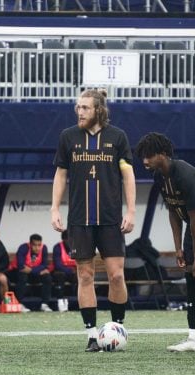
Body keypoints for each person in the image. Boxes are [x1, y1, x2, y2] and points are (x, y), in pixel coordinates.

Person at [50, 88, 136, 352]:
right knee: (85, 275)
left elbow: (128, 175)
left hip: (110, 219)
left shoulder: (117, 136)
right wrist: (54, 208)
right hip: (80, 219)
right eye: (78, 107)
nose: (79, 111)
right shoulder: (68, 137)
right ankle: (90, 335)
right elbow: (61, 175)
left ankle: (116, 328)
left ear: (98, 109)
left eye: (85, 107)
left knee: (117, 276)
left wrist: (131, 211)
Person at [135, 132, 195, 353]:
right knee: (191, 273)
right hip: (194, 221)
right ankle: (194, 337)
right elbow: (173, 211)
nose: (145, 161)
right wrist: (179, 248)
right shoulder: (159, 177)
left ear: (162, 154)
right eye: (142, 156)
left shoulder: (184, 174)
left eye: (149, 155)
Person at [10, 234, 52, 312]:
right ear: (30, 244)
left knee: (47, 277)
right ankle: (19, 304)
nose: (37, 248)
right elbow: (21, 266)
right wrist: (37, 271)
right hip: (17, 272)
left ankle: (44, 304)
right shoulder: (23, 248)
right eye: (35, 245)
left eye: (39, 245)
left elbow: (45, 265)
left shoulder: (44, 248)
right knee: (22, 276)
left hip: (33, 273)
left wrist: (32, 270)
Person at [52, 230, 79, 312]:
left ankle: (79, 303)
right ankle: (60, 301)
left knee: (82, 277)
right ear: (64, 239)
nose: (71, 241)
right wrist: (70, 270)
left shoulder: (76, 247)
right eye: (68, 239)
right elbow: (58, 264)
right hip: (61, 272)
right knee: (60, 276)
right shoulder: (57, 247)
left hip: (73, 272)